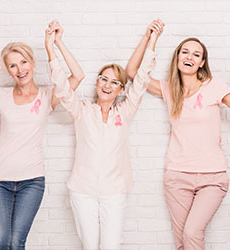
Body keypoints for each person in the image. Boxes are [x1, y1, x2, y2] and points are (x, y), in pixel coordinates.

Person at [126, 20, 230, 250]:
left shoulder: (214, 85)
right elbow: (132, 73)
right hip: (177, 177)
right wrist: (150, 38)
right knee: (182, 241)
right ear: (177, 58)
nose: (190, 56)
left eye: (196, 54)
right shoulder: (169, 89)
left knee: (192, 232)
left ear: (202, 63)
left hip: (212, 178)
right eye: (185, 52)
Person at [0, 20, 84, 250]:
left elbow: (78, 75)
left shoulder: (48, 95)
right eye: (13, 66)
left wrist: (53, 44)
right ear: (8, 70)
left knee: (16, 244)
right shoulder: (0, 96)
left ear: (33, 63)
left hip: (32, 182)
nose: (20, 69)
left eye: (24, 62)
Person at [48, 21, 162, 250]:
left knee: (111, 245)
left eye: (114, 82)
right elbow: (61, 86)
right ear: (97, 83)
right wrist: (54, 46)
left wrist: (151, 39)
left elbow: (140, 80)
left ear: (121, 90)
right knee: (90, 246)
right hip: (82, 191)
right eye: (103, 79)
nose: (107, 85)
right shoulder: (81, 110)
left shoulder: (125, 111)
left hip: (114, 192)